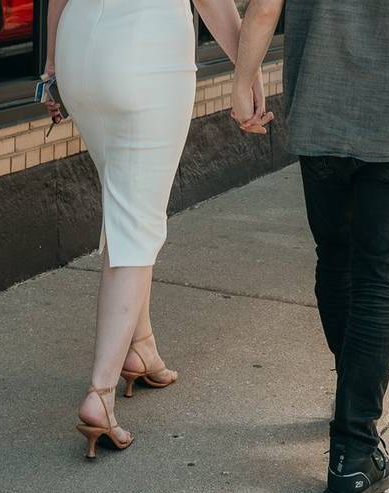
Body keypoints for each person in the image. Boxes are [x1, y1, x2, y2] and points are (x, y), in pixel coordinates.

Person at [231, 0, 389, 493]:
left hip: (319, 124)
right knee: (376, 283)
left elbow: (261, 12)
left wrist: (241, 82)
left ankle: (353, 403)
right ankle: (354, 452)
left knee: (335, 262)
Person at [44, 0, 271, 459]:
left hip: (79, 51)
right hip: (147, 54)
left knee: (123, 201)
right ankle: (100, 395)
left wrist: (50, 67)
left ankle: (141, 350)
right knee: (137, 222)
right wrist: (248, 78)